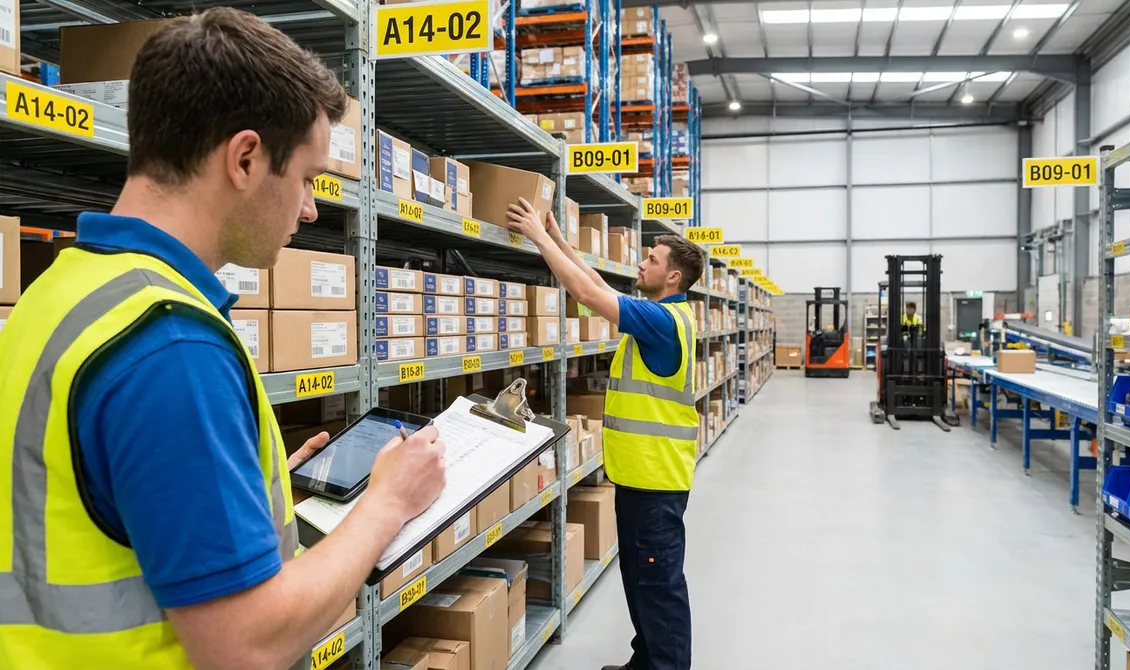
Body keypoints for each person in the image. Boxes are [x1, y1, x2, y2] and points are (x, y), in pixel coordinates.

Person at [0, 9, 447, 669]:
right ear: (243, 158)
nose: (309, 209)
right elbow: (245, 647)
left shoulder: (62, 291)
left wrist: (238, 498)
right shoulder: (171, 345)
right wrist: (387, 503)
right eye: (306, 178)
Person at [506, 199, 706, 670]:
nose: (641, 262)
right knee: (640, 579)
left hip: (655, 480)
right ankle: (647, 661)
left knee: (659, 585)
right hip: (640, 475)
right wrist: (557, 240)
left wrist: (537, 236)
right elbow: (594, 282)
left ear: (673, 276)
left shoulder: (663, 322)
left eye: (652, 259)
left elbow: (587, 294)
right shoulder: (661, 314)